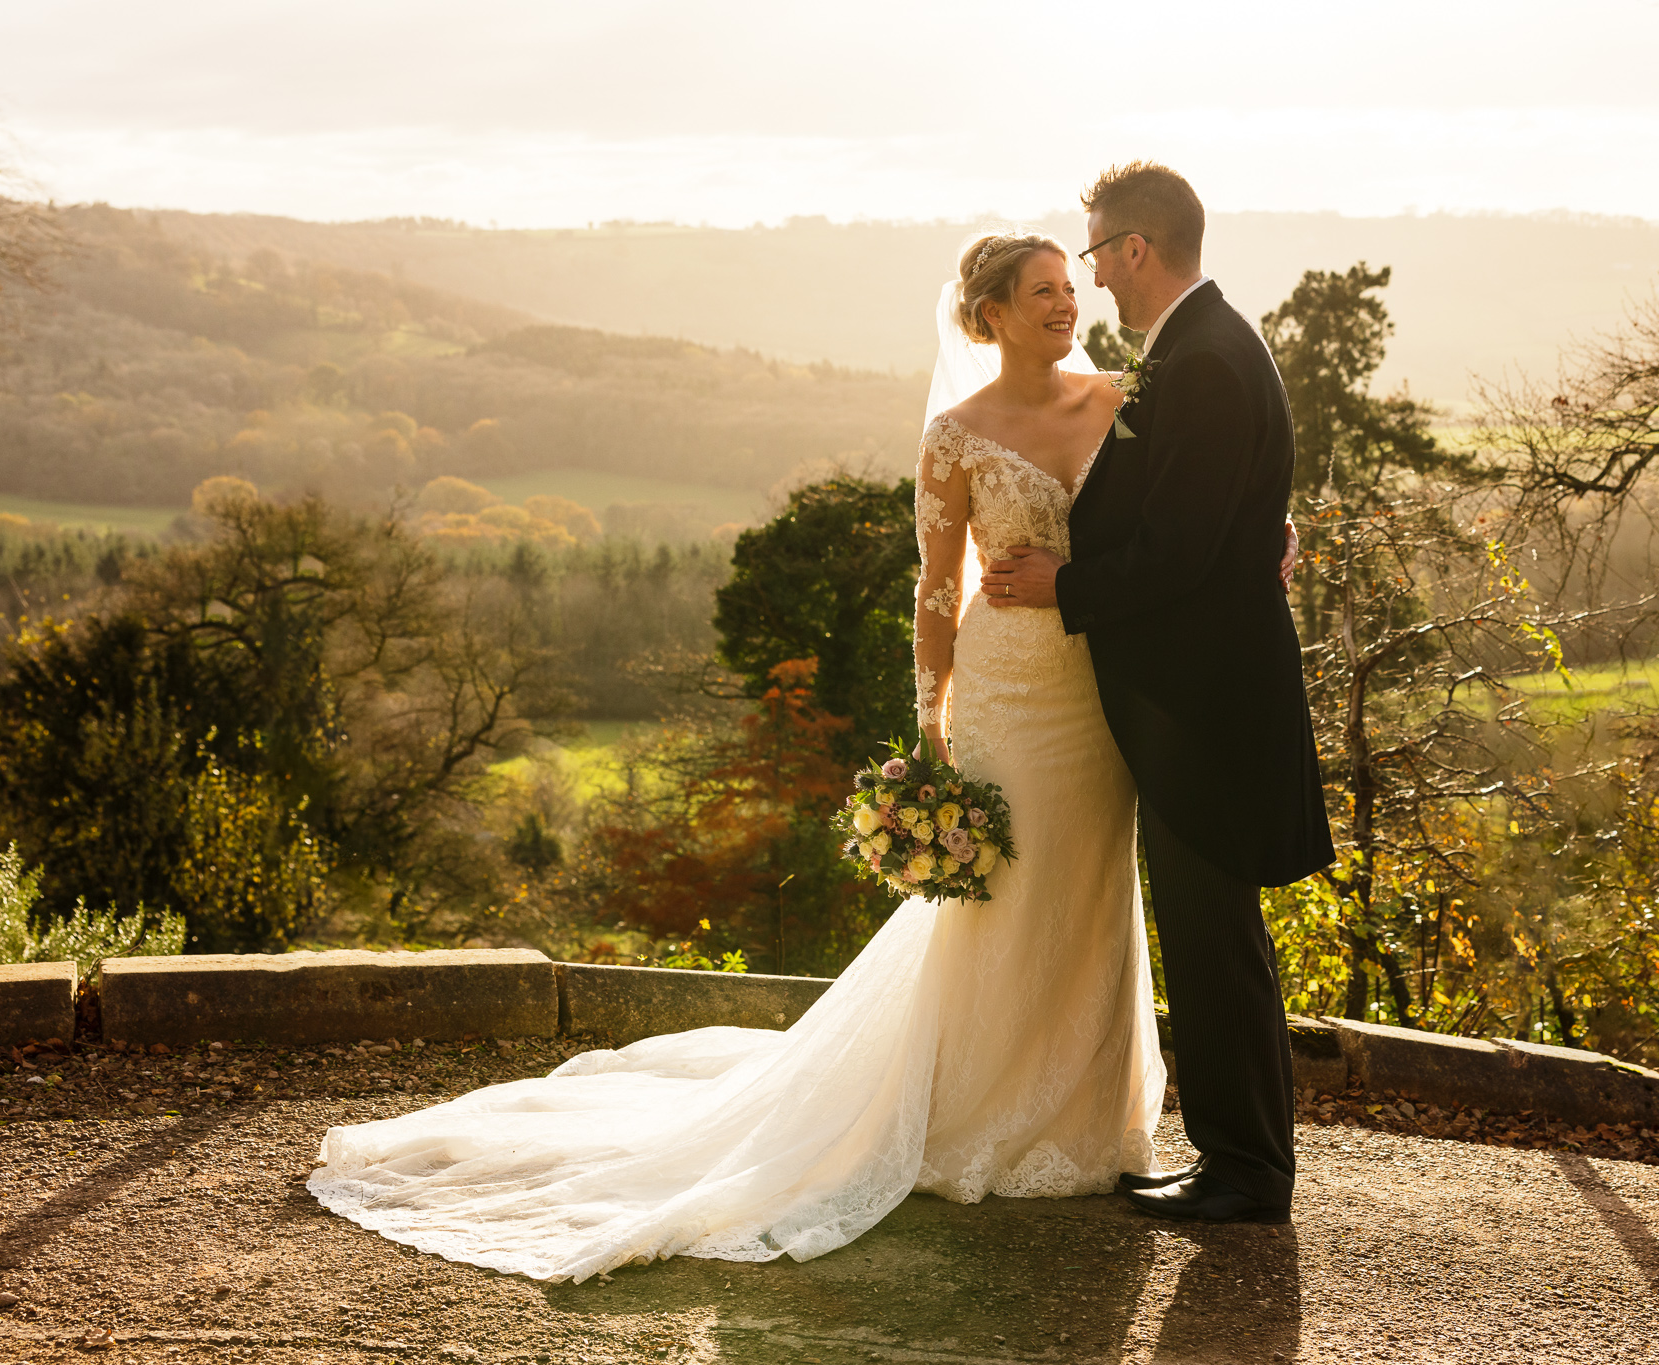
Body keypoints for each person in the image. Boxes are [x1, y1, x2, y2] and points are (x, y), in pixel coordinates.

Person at [302, 218, 1217, 1286]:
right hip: (1007, 693)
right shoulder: (957, 434)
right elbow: (933, 588)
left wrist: (1262, 542)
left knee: (1091, 883)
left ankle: (1082, 1119)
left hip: (1096, 693)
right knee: (1005, 893)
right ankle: (967, 1114)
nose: (1068, 305)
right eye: (1043, 292)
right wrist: (930, 723)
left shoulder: (1117, 399)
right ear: (989, 315)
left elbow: (1185, 515)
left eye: (1071, 286)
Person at [978, 161, 1334, 1224]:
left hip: (1206, 712)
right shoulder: (1197, 349)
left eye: (1093, 254)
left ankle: (1246, 1170)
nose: (1091, 278)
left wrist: (1062, 584)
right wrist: (1255, 530)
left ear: (1134, 248)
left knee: (1213, 941)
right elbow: (1205, 512)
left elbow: (1175, 550)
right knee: (1209, 936)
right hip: (1194, 703)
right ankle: (1240, 1158)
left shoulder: (1206, 360)